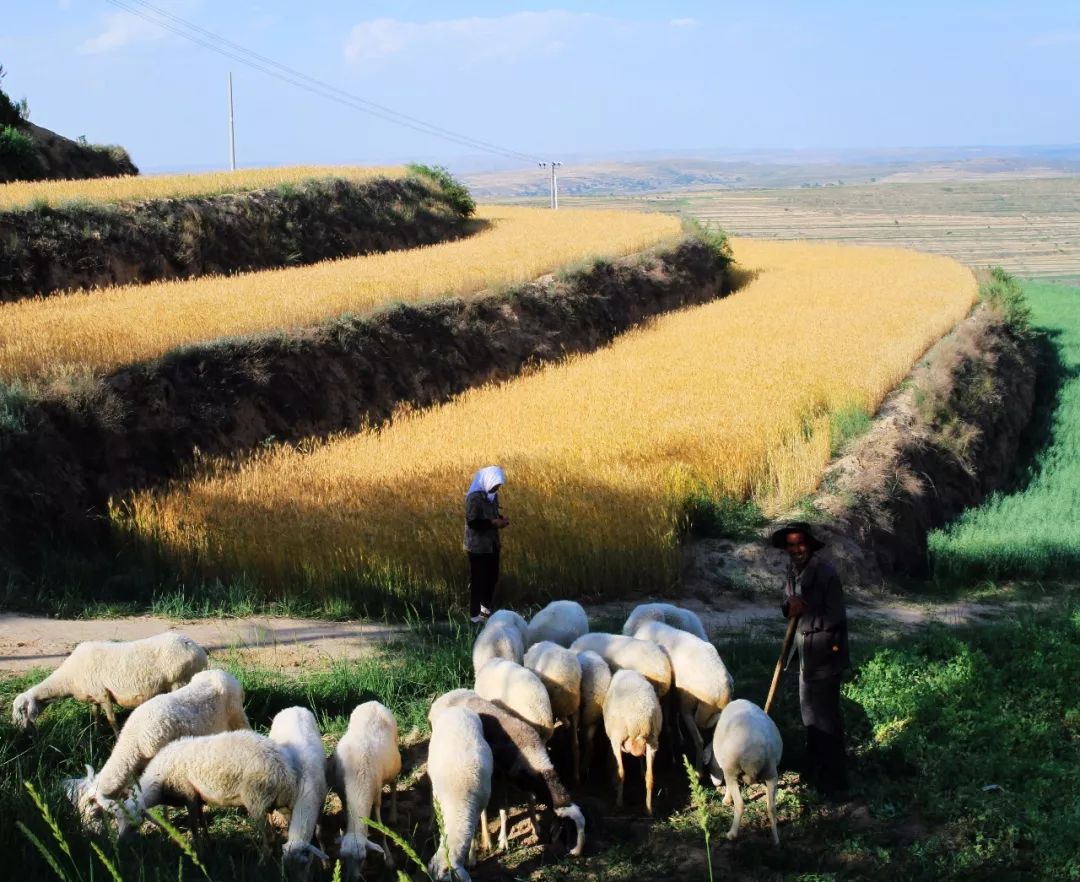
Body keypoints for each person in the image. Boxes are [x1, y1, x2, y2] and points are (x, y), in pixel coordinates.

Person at [772, 522, 850, 798]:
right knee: (809, 714)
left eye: (800, 543)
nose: (796, 549)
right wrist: (788, 608)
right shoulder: (793, 573)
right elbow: (788, 604)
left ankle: (835, 781)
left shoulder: (825, 574)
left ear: (810, 545)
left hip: (827, 655)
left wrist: (803, 615)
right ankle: (815, 769)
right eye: (791, 545)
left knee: (826, 717)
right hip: (805, 655)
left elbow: (835, 616)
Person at [464, 465, 510, 624]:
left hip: (492, 544)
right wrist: (493, 523)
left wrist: (501, 520)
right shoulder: (474, 497)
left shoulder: (493, 496)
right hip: (477, 546)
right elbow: (472, 522)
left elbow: (493, 514)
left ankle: (486, 612)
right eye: (496, 484)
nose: (497, 488)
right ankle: (474, 616)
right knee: (478, 580)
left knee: (492, 577)